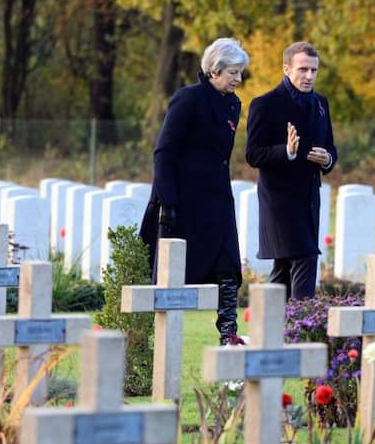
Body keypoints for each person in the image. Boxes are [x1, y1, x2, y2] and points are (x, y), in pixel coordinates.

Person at [139, 37, 248, 345]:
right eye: (233, 72)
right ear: (214, 71)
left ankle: (229, 333)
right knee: (167, 275)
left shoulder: (232, 104)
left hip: (216, 199)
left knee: (228, 265)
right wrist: (169, 202)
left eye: (241, 72)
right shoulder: (187, 99)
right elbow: (164, 151)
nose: (239, 79)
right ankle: (149, 342)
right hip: (182, 199)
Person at [245, 42, 337, 299]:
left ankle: (271, 329)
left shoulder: (321, 103)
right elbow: (253, 154)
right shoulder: (265, 104)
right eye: (303, 69)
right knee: (305, 256)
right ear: (287, 69)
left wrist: (327, 158)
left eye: (314, 70)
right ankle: (300, 328)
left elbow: (330, 146)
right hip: (279, 201)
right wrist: (286, 151)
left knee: (284, 269)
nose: (309, 76)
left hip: (309, 200)